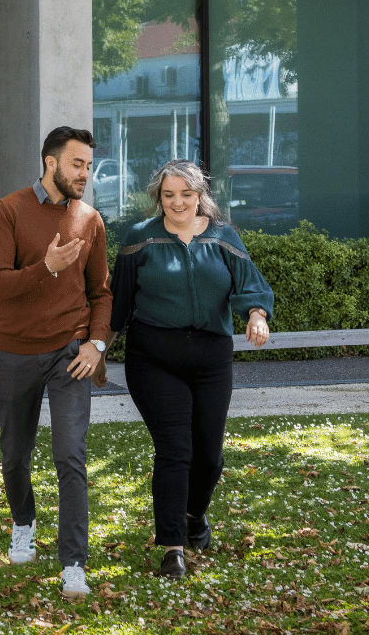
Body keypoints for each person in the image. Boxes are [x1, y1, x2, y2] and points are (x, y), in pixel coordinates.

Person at [109, 158, 274, 580]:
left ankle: (194, 515)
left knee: (209, 455)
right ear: (158, 198)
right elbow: (119, 303)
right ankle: (172, 548)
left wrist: (256, 314)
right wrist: (99, 348)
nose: (177, 202)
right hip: (153, 357)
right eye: (168, 194)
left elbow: (250, 284)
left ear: (200, 196)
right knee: (175, 448)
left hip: (210, 357)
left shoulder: (222, 236)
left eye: (186, 193)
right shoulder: (139, 240)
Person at [0, 126, 112, 600]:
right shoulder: (9, 210)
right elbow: (1, 284)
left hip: (69, 353)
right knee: (15, 455)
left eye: (89, 165)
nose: (85, 173)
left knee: (69, 455)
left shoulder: (90, 220)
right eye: (77, 164)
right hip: (16, 350)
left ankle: (73, 562)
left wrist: (95, 345)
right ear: (51, 163)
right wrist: (49, 267)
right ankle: (24, 523)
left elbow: (102, 294)